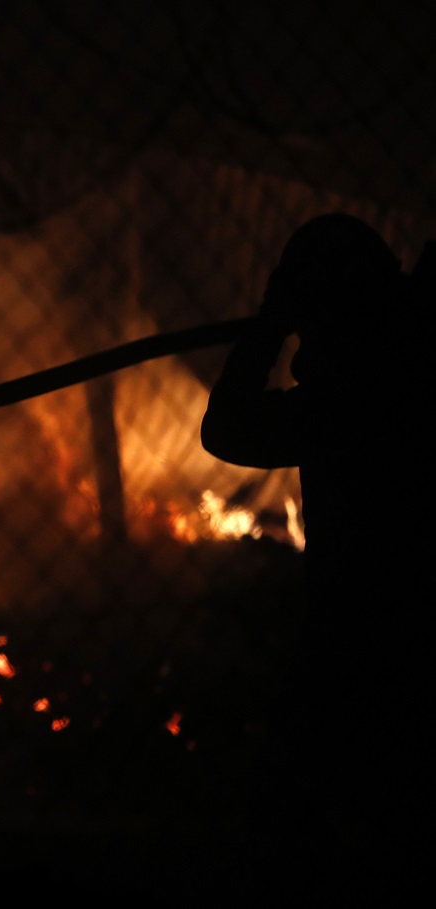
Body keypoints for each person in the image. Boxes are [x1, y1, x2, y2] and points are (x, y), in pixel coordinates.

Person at [200, 213, 433, 897]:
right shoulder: (403, 374)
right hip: (386, 630)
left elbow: (227, 426)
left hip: (359, 634)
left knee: (301, 809)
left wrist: (268, 324)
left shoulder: (350, 402)